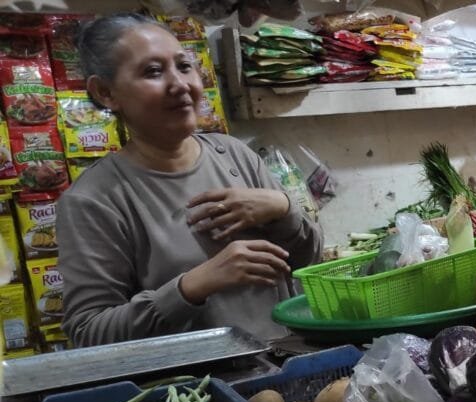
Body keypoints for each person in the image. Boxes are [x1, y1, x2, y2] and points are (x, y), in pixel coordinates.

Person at [57, 13, 323, 347]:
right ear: (106, 92)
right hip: (195, 389)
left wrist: (283, 209)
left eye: (184, 66)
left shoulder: (234, 155)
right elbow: (89, 333)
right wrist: (192, 286)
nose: (181, 85)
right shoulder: (95, 200)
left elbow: (309, 262)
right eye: (153, 72)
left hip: (288, 363)